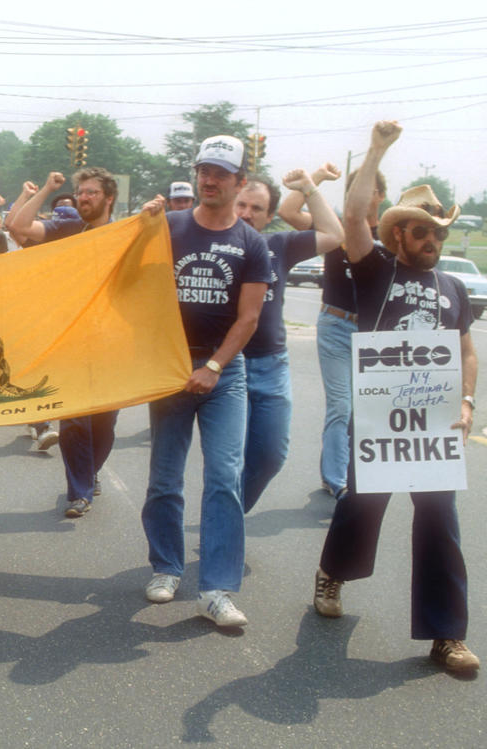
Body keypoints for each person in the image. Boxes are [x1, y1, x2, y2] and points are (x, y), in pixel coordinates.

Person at [313, 121, 479, 672]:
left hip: (433, 426)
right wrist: (379, 149)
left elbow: (466, 351)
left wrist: (467, 403)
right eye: (422, 232)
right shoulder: (376, 272)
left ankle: (446, 633)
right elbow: (357, 214)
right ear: (400, 235)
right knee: (363, 504)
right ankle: (333, 572)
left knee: (439, 518)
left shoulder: (454, 289)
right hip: (380, 418)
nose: (433, 241)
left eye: (439, 234)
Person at [140, 135, 270, 628]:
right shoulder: (169, 227)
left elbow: (249, 318)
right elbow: (127, 274)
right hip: (171, 367)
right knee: (165, 476)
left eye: (220, 173)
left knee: (224, 477)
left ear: (239, 182)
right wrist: (141, 225)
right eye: (203, 171)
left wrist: (213, 367)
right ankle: (167, 568)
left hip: (224, 373)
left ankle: (217, 589)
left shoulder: (250, 243)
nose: (209, 180)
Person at [7, 166, 122, 518]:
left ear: (109, 198)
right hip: (69, 340)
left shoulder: (126, 233)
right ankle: (79, 491)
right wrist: (45, 187)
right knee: (74, 420)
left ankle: (91, 471)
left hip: (112, 343)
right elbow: (19, 227)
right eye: (81, 192)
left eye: (92, 193)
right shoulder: (69, 228)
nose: (84, 198)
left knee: (104, 421)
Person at [234, 170, 344, 512]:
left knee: (270, 456)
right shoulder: (210, 241)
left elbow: (333, 234)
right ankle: (224, 525)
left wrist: (311, 186)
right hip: (225, 366)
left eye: (256, 208)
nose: (246, 214)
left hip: (271, 365)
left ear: (269, 217)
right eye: (241, 204)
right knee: (228, 458)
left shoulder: (277, 246)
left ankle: (231, 512)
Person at [278, 163, 375, 500]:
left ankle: (341, 470)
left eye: (370, 188)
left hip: (371, 332)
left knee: (363, 407)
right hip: (335, 325)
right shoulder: (333, 225)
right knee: (341, 405)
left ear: (379, 195)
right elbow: (288, 211)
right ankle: (338, 480)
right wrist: (313, 181)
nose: (363, 196)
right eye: (355, 189)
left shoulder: (391, 233)